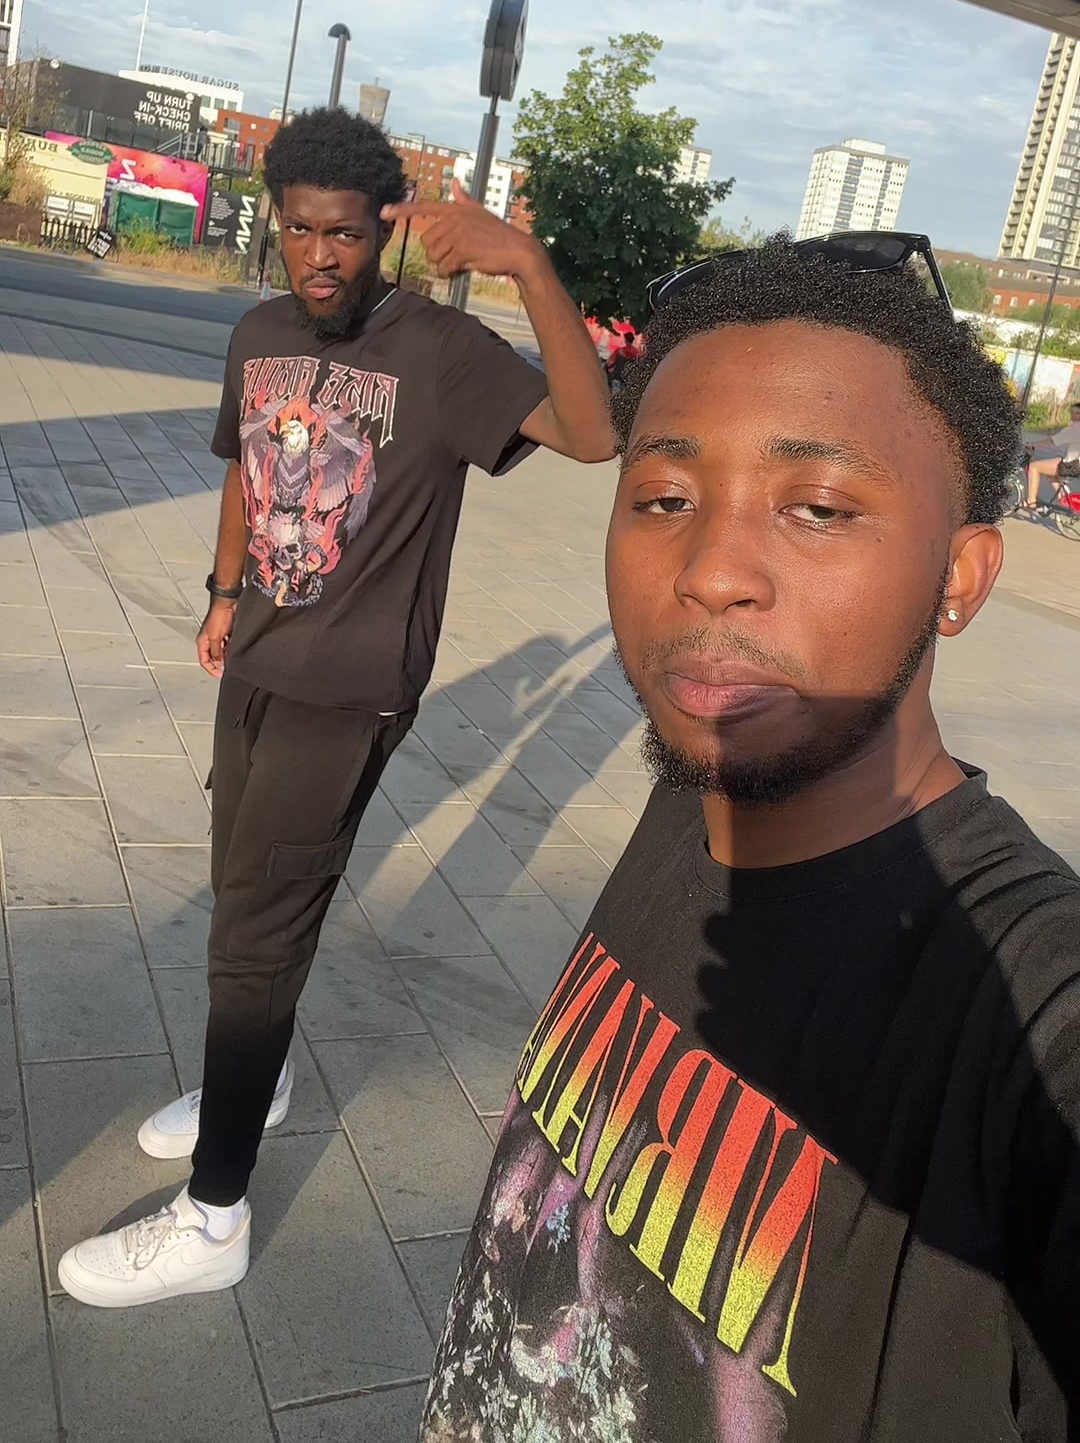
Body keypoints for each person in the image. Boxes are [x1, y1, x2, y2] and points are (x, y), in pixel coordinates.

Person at [422, 236, 1080, 1442]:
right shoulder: (703, 789)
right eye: (664, 500)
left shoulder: (1029, 1006)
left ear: (962, 577)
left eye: (818, 509)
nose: (712, 571)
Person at [58, 108, 614, 1309]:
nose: (321, 255)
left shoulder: (442, 350)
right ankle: (257, 1076)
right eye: (302, 230)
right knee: (246, 894)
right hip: (259, 662)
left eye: (347, 235)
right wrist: (223, 595)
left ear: (385, 232)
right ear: (279, 223)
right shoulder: (258, 332)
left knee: (251, 938)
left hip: (349, 691)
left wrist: (526, 264)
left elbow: (593, 432)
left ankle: (215, 1215)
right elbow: (245, 469)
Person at [1025, 397, 1080, 509]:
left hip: (1072, 465)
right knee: (1050, 470)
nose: (1073, 416)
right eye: (1072, 412)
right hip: (1075, 463)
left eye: (1077, 413)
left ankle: (1031, 501)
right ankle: (1062, 497)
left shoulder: (1074, 429)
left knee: (1034, 466)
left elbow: (1051, 442)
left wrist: (1032, 444)